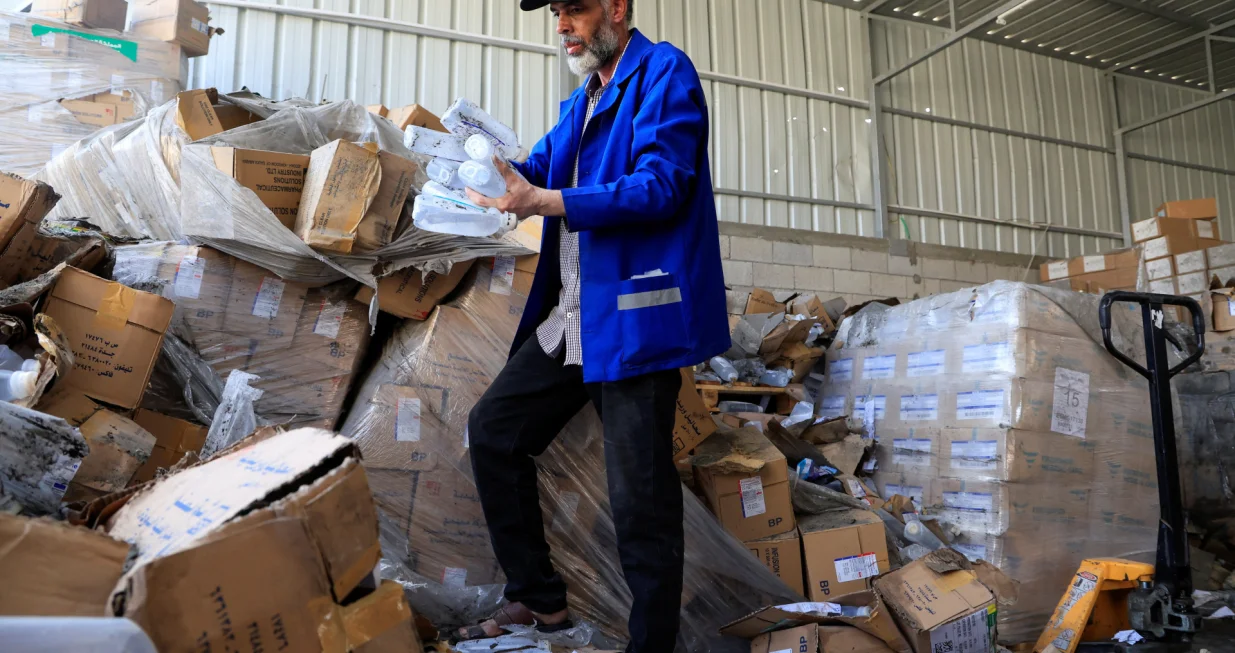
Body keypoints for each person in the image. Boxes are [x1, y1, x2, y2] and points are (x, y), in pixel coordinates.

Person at [458, 0, 728, 650]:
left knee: (640, 501)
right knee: (493, 430)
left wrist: (544, 201)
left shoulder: (664, 74)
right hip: (575, 319)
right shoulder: (579, 103)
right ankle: (538, 598)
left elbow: (661, 184)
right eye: (556, 12)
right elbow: (537, 168)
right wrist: (472, 165)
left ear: (616, 7)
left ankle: (650, 644)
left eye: (573, 9)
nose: (561, 25)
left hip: (636, 320)